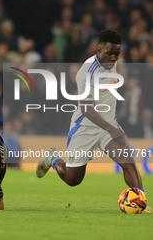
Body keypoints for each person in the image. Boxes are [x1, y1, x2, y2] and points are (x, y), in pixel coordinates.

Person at [36, 29, 153, 213]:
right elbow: (86, 108)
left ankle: (141, 203)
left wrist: (111, 127)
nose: (114, 58)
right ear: (99, 49)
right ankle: (52, 158)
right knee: (73, 180)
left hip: (108, 126)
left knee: (128, 162)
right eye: (110, 53)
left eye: (117, 53)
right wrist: (111, 129)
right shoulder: (86, 72)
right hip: (85, 127)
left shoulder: (111, 61)